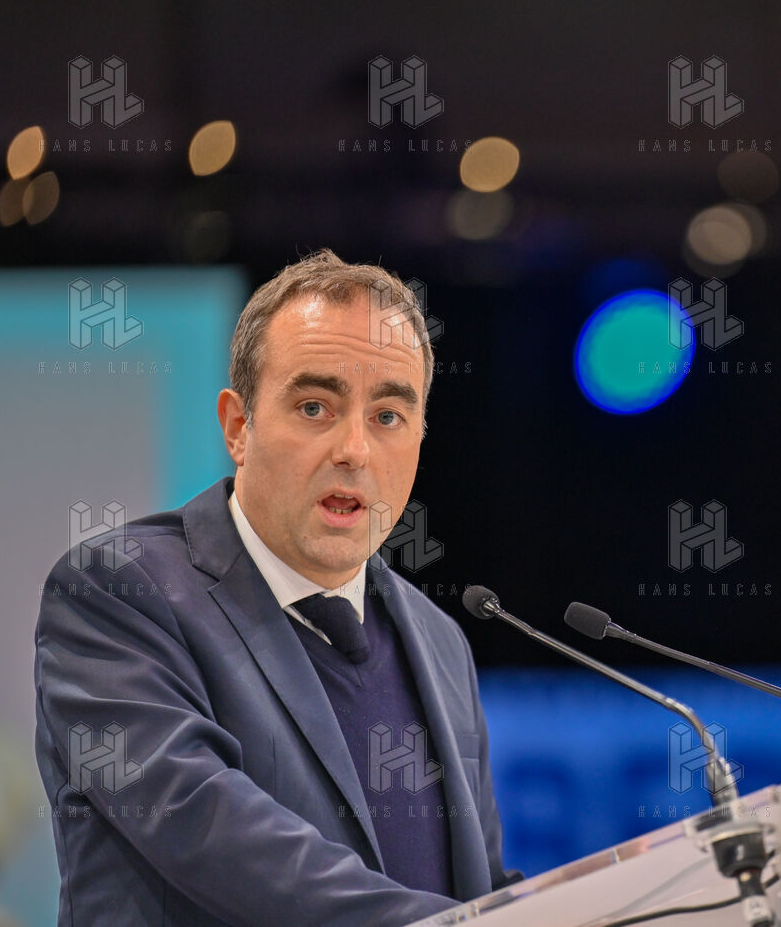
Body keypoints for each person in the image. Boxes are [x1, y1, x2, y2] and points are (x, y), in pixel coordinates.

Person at [34, 250, 512, 926]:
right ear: (239, 426)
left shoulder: (441, 641)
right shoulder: (116, 593)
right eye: (315, 407)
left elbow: (482, 887)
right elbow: (214, 837)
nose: (354, 450)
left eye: (387, 416)